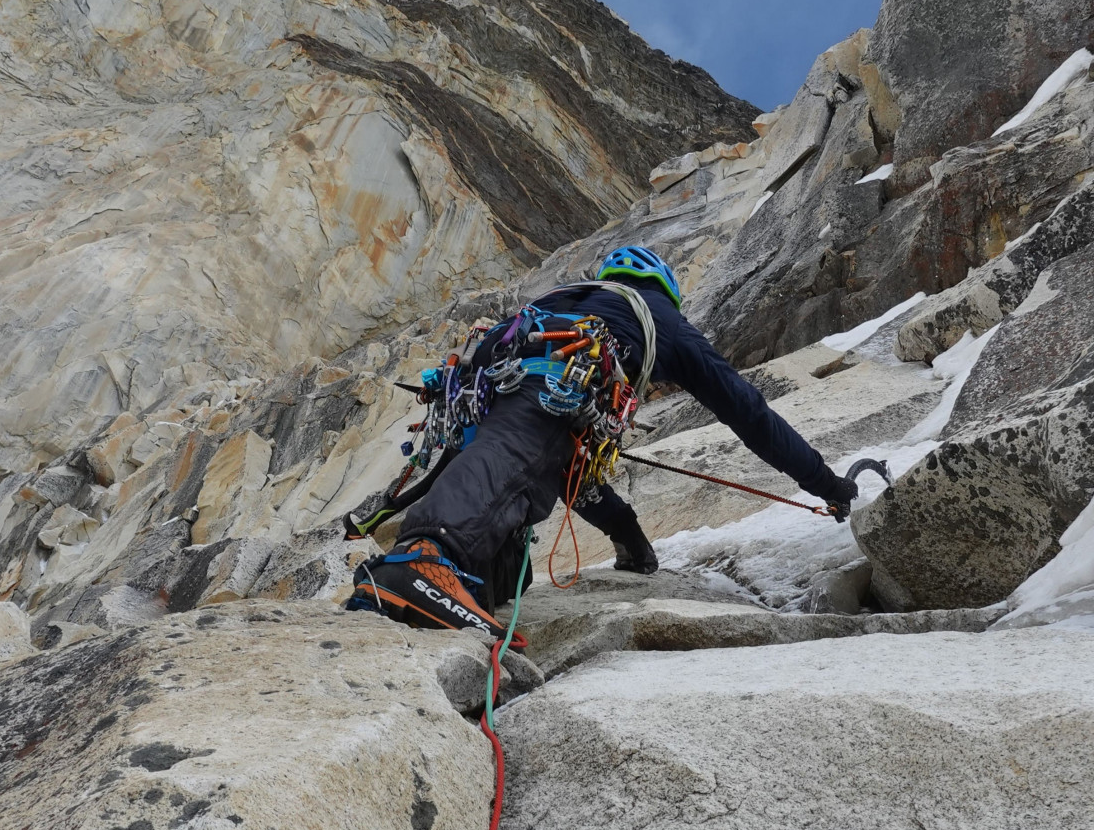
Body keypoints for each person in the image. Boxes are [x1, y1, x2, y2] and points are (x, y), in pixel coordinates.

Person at [348, 246, 859, 641]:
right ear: (664, 287)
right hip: (553, 385)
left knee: (505, 542)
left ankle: (416, 586)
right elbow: (749, 411)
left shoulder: (561, 299)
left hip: (485, 392)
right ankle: (421, 560)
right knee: (513, 455)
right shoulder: (658, 316)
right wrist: (825, 483)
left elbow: (571, 473)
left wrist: (630, 540)